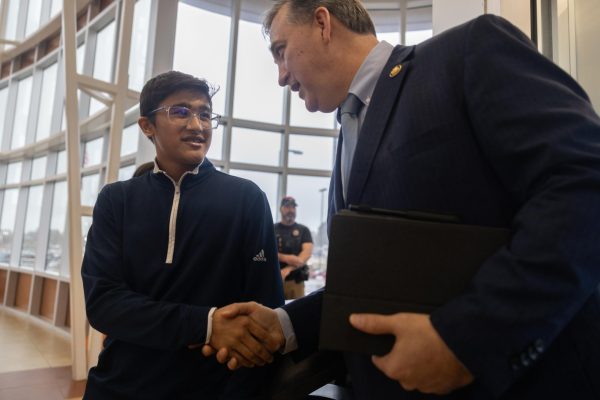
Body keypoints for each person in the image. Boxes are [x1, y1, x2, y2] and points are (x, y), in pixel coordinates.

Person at [204, 1, 600, 399]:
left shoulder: (466, 53)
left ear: (323, 23)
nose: (281, 77)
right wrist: (285, 325)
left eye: (280, 51)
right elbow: (373, 283)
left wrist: (468, 339)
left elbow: (584, 180)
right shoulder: (346, 130)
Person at [81, 70, 284, 399]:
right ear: (147, 126)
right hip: (120, 385)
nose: (197, 125)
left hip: (214, 388)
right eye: (180, 111)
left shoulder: (247, 199)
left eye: (205, 114)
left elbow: (265, 312)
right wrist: (206, 324)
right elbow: (104, 305)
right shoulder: (116, 200)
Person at [275, 196, 314, 299]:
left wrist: (287, 269)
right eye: (287, 207)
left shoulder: (303, 230)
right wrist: (286, 258)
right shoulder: (272, 229)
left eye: (293, 207)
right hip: (274, 281)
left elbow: (304, 257)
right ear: (281, 209)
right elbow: (264, 251)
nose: (291, 210)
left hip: (296, 283)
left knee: (297, 313)